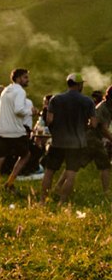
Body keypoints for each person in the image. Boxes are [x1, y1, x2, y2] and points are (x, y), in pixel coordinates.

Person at [40, 73, 95, 202]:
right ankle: (62, 202)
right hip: (76, 144)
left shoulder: (55, 99)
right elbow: (93, 123)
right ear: (80, 85)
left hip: (58, 142)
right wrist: (83, 128)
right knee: (71, 174)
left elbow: (49, 120)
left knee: (49, 172)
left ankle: (42, 201)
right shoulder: (88, 101)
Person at [0, 68, 37, 194]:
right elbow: (19, 110)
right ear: (18, 78)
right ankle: (9, 182)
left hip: (0, 130)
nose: (28, 80)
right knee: (26, 155)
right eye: (25, 77)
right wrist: (30, 112)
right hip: (15, 131)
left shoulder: (5, 90)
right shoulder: (20, 91)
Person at [81, 85, 112, 194]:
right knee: (105, 165)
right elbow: (103, 129)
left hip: (93, 138)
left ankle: (58, 186)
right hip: (92, 138)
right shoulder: (102, 108)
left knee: (75, 164)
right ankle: (106, 192)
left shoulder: (108, 107)